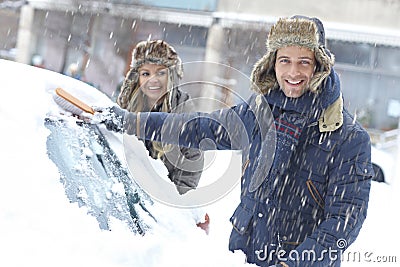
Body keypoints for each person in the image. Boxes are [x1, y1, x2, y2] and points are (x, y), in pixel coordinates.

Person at [99, 16, 373, 266]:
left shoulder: (347, 138)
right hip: (245, 255)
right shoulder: (259, 113)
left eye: (304, 61)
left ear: (320, 66)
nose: (293, 72)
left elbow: (344, 222)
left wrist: (293, 263)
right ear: (272, 63)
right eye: (284, 60)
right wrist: (130, 122)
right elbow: (198, 128)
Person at [116, 40, 205, 195]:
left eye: (160, 73)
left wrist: (169, 202)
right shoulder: (126, 110)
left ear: (171, 76)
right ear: (137, 78)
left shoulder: (184, 115)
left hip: (160, 206)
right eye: (146, 73)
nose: (153, 79)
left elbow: (189, 173)